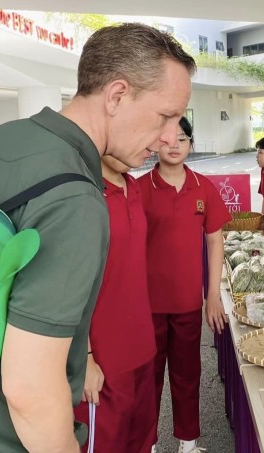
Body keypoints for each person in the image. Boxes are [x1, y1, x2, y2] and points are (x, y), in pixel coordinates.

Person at [0, 23, 196, 453]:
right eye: (165, 115)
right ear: (116, 95)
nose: (171, 135)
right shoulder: (74, 196)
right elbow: (30, 390)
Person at [138, 117, 231, 453]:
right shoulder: (138, 189)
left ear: (191, 143)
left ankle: (188, 443)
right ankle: (145, 443)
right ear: (153, 144)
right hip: (146, 305)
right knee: (146, 381)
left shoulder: (203, 187)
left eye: (181, 138)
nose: (173, 145)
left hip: (187, 303)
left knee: (186, 375)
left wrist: (213, 296)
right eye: (166, 139)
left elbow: (215, 242)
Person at [74, 155, 157, 452]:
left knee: (141, 442)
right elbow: (69, 283)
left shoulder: (134, 187)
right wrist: (84, 356)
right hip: (101, 359)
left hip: (142, 349)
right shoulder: (84, 193)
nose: (155, 142)